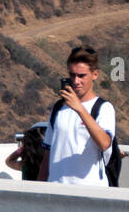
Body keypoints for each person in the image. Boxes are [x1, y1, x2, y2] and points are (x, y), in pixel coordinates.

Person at [37, 46, 116, 185]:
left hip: (90, 191)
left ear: (95, 74)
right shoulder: (59, 107)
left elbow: (104, 144)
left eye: (81, 76)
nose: (75, 81)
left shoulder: (103, 108)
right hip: (56, 188)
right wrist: (39, 188)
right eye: (72, 75)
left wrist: (80, 109)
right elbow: (48, 152)